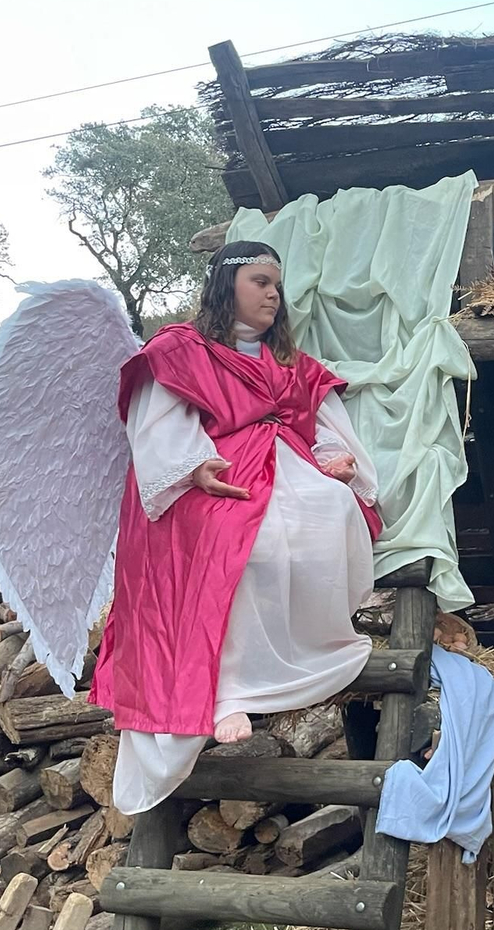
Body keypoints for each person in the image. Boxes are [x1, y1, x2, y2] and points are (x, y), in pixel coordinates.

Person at [90, 241, 383, 814]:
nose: (274, 293)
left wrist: (333, 458)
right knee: (248, 545)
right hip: (213, 479)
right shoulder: (180, 350)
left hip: (286, 468)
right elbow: (156, 426)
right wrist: (194, 466)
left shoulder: (288, 362)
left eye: (277, 283)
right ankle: (228, 692)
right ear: (226, 287)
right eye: (260, 281)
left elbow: (322, 419)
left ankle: (298, 651)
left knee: (331, 510)